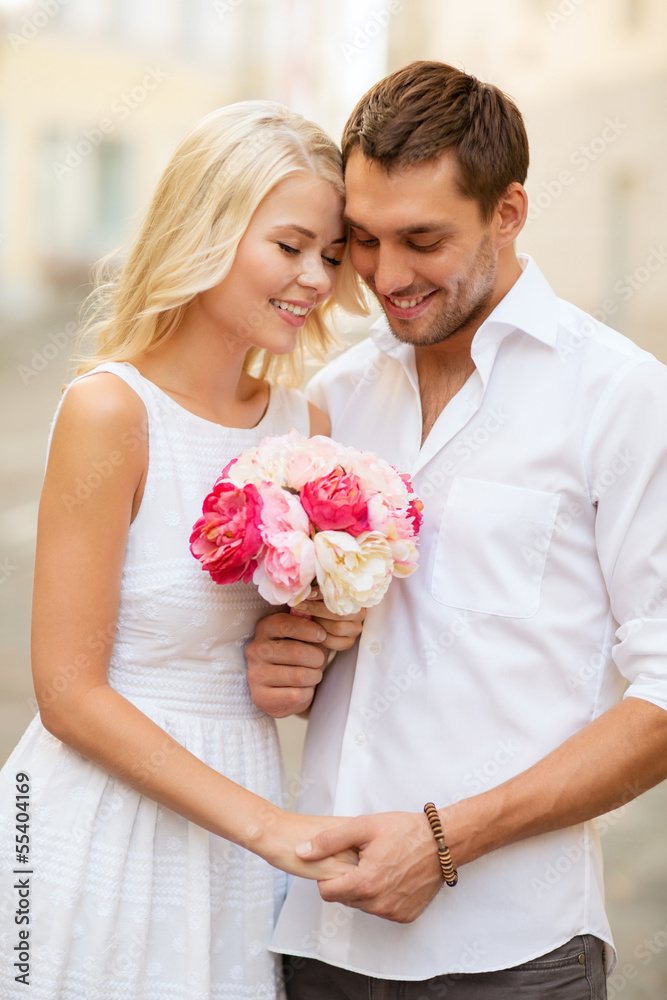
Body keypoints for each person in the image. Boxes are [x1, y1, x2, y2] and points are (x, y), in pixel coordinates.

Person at [246, 62, 667, 999]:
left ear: (508, 212)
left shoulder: (619, 397)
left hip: (512, 952)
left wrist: (442, 841)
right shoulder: (331, 400)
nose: (386, 276)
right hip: (314, 935)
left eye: (422, 238)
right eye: (361, 239)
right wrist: (284, 653)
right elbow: (319, 637)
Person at [0, 101, 368, 1000]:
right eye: (289, 246)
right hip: (101, 824)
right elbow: (67, 693)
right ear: (208, 228)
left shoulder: (305, 425)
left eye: (329, 254)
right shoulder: (109, 411)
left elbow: (286, 644)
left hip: (237, 835)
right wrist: (267, 828)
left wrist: (318, 643)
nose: (315, 278)